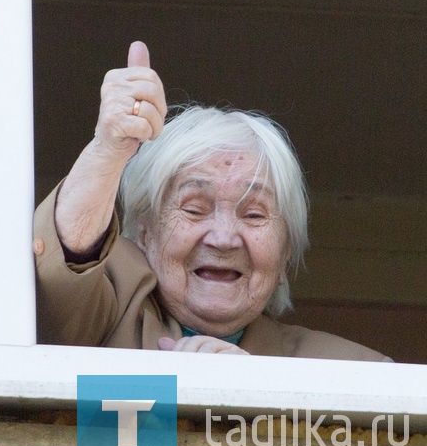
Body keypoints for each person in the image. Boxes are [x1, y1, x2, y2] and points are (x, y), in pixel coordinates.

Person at [33, 40, 389, 361]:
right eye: (193, 209)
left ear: (284, 255)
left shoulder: (355, 372)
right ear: (144, 234)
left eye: (253, 215)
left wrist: (250, 406)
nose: (223, 238)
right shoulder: (101, 319)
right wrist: (109, 149)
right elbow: (62, 279)